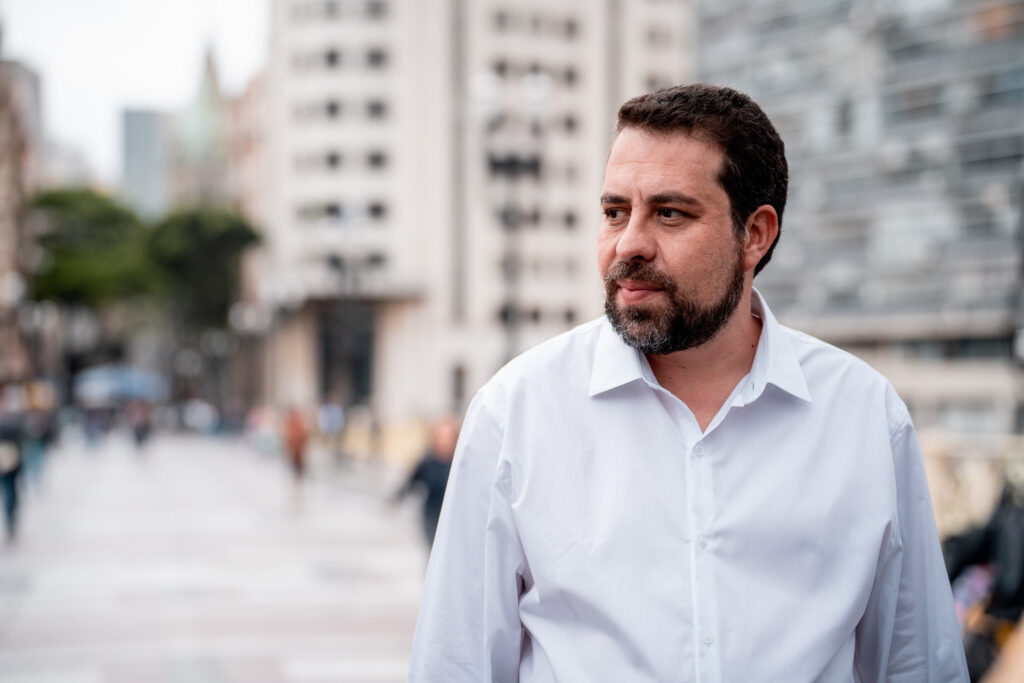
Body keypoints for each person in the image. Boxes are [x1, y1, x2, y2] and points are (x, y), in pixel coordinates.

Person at [410, 84, 968, 681]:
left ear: (755, 234)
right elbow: (455, 663)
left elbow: (917, 663)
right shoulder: (514, 412)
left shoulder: (865, 417)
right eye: (614, 212)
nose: (629, 245)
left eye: (670, 213)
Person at [393, 416, 458, 547]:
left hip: (452, 518)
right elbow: (411, 482)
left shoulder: (458, 463)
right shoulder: (427, 461)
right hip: (430, 516)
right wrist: (396, 499)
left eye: (447, 437)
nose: (444, 441)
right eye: (441, 436)